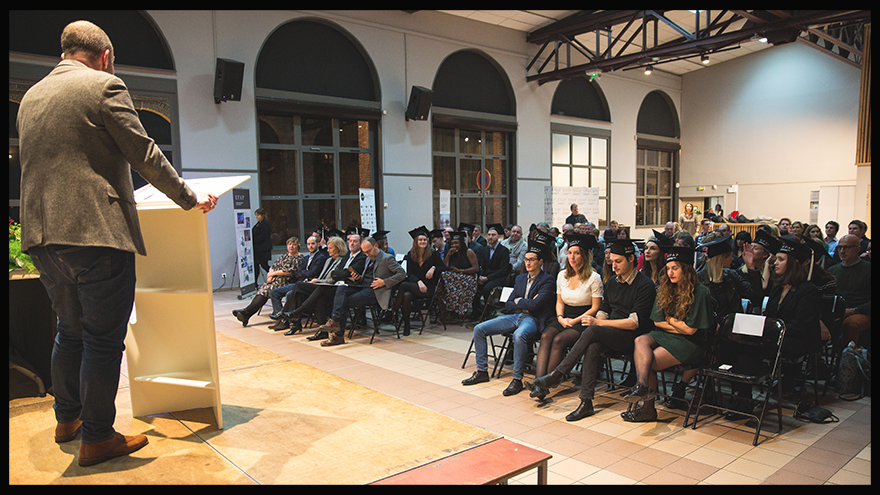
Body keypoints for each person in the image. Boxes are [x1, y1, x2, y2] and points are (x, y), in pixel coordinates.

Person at [17, 20, 218, 466]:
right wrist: (189, 198)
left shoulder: (30, 97)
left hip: (43, 238)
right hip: (95, 235)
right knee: (103, 340)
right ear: (105, 56)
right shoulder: (104, 86)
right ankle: (97, 437)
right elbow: (143, 152)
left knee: (68, 332)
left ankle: (66, 419)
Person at [530, 237, 657, 421]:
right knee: (592, 345)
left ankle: (558, 374)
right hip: (611, 331)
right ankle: (586, 402)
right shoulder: (613, 281)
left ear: (631, 259)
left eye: (618, 261)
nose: (614, 266)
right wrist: (599, 320)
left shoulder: (644, 284)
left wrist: (599, 323)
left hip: (633, 338)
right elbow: (604, 309)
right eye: (612, 261)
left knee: (592, 331)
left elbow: (633, 323)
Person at [622, 245, 713, 422]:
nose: (670, 273)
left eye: (675, 268)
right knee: (641, 340)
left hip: (690, 342)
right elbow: (657, 321)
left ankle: (648, 409)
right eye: (668, 268)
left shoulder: (699, 292)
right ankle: (642, 386)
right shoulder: (666, 288)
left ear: (686, 270)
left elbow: (690, 330)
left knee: (648, 362)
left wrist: (670, 321)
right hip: (668, 335)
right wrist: (676, 324)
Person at [462, 240, 556, 396]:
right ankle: (482, 371)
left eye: (532, 259)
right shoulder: (520, 279)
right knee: (479, 329)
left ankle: (517, 380)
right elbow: (509, 304)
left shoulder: (547, 280)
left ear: (540, 261)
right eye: (526, 259)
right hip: (515, 315)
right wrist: (525, 303)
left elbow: (536, 306)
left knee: (519, 335)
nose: (528, 262)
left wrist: (521, 302)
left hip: (533, 319)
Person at [531, 233, 603, 401]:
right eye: (570, 253)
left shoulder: (594, 277)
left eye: (576, 253)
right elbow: (559, 301)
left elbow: (596, 307)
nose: (572, 256)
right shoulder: (562, 275)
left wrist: (574, 320)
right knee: (546, 336)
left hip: (583, 318)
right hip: (564, 315)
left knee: (559, 340)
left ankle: (546, 384)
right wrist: (561, 317)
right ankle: (538, 382)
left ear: (584, 256)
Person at [317, 236, 407, 346]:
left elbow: (402, 274)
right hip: (363, 286)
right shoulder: (368, 258)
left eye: (368, 251)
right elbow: (365, 277)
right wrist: (357, 277)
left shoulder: (386, 258)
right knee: (342, 288)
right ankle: (335, 322)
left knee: (343, 302)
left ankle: (338, 334)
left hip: (376, 291)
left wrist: (384, 282)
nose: (367, 254)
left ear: (375, 246)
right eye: (364, 252)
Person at [269, 236, 347, 336]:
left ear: (338, 248)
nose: (328, 250)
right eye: (328, 248)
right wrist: (316, 280)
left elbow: (332, 280)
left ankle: (287, 315)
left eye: (330, 248)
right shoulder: (328, 260)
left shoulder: (341, 260)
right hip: (319, 285)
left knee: (298, 286)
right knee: (299, 293)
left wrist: (316, 280)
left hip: (329, 287)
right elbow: (299, 273)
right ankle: (295, 324)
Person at [232, 237, 303, 326]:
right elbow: (273, 266)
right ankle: (246, 313)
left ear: (298, 246)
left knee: (266, 291)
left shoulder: (299, 258)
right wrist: (270, 275)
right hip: (274, 280)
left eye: (294, 244)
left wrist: (272, 274)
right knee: (263, 290)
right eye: (289, 244)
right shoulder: (284, 256)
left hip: (286, 281)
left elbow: (289, 272)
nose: (291, 246)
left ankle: (246, 312)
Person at [391, 226, 445, 335]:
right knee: (406, 295)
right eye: (420, 240)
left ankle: (394, 311)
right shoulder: (411, 254)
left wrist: (433, 267)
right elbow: (410, 274)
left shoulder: (433, 253)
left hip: (429, 288)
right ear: (416, 242)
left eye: (424, 239)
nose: (423, 241)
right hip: (416, 286)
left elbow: (443, 267)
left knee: (404, 285)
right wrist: (419, 282)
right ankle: (407, 324)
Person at [267, 235, 326, 320]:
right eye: (308, 244)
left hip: (309, 285)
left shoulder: (321, 257)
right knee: (274, 292)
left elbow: (312, 273)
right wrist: (304, 273)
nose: (310, 246)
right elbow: (297, 274)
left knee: (289, 294)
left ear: (318, 244)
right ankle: (280, 316)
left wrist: (303, 273)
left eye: (313, 243)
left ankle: (288, 318)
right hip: (299, 283)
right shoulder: (306, 258)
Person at [827, 234, 871, 347]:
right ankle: (817, 360)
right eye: (839, 247)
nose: (842, 251)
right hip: (836, 309)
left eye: (847, 247)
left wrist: (855, 310)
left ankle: (847, 360)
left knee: (850, 324)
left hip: (861, 310)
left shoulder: (868, 269)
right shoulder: (832, 270)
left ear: (858, 249)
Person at [437, 231, 481, 319]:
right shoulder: (451, 254)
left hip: (469, 278)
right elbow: (444, 267)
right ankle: (447, 311)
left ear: (461, 243)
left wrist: (461, 271)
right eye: (452, 243)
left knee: (446, 279)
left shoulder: (469, 252)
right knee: (442, 278)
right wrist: (448, 255)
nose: (454, 245)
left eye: (456, 243)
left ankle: (458, 310)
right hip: (455, 279)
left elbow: (476, 268)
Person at [473, 224, 511, 318]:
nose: (490, 237)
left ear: (498, 236)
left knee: (487, 289)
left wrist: (487, 278)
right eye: (489, 234)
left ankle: (489, 312)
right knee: (473, 286)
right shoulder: (485, 249)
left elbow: (503, 270)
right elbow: (482, 265)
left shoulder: (504, 250)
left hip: (498, 277)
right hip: (486, 276)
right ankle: (477, 311)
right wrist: (480, 277)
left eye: (493, 235)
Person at [252, 208, 272, 282]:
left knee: (264, 265)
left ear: (262, 215)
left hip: (263, 249)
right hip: (258, 249)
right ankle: (255, 282)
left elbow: (264, 236)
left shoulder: (265, 224)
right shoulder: (258, 224)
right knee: (256, 266)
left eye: (258, 215)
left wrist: (254, 239)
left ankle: (273, 275)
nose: (256, 217)